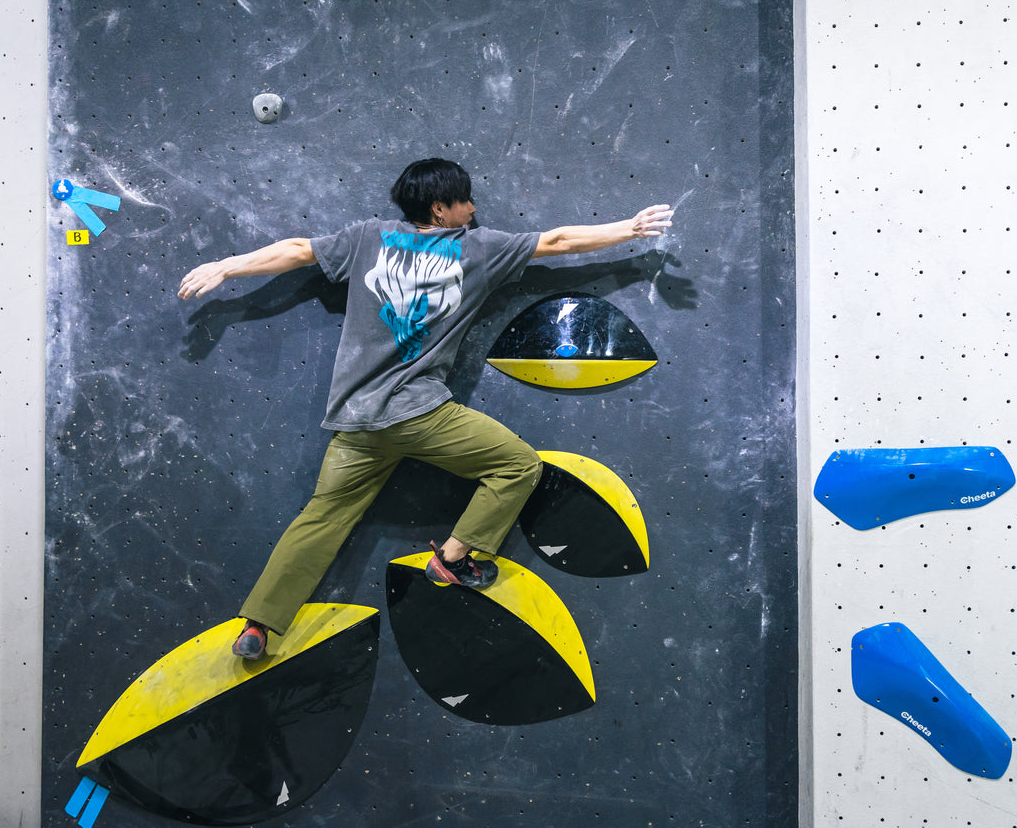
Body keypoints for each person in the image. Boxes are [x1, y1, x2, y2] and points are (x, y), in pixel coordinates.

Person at [178, 158, 672, 659]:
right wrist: (630, 229)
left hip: (357, 420)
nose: (473, 208)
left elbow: (296, 250)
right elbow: (560, 241)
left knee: (321, 518)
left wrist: (226, 266)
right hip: (421, 415)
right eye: (465, 200)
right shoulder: (477, 249)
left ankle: (259, 625)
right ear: (440, 208)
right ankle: (452, 558)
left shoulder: (367, 238)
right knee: (518, 465)